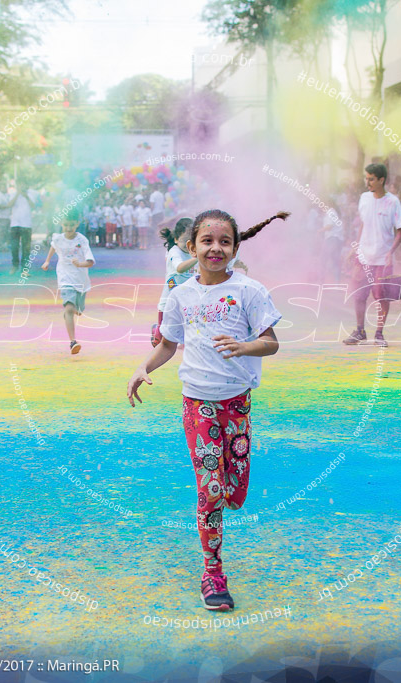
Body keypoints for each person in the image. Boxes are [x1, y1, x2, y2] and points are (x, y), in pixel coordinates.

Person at [126, 209, 287, 612]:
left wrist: (245, 347)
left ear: (234, 247)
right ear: (192, 246)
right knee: (210, 489)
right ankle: (213, 571)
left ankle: (230, 491)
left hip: (237, 404)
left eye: (225, 242)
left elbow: (270, 342)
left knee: (233, 492)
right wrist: (142, 367)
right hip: (196, 401)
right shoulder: (181, 295)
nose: (216, 249)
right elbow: (168, 344)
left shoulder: (249, 291)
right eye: (207, 241)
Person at [343, 162, 401, 348]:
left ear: (381, 180)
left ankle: (379, 333)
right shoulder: (364, 198)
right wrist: (354, 248)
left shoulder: (393, 202)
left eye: (371, 179)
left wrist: (390, 253)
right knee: (359, 295)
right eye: (366, 178)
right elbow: (363, 224)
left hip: (382, 258)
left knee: (382, 296)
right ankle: (360, 331)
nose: (367, 182)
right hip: (363, 257)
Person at [41, 207, 94, 354]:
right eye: (65, 225)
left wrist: (80, 264)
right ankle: (73, 342)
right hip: (65, 277)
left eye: (71, 224)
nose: (68, 228)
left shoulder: (82, 240)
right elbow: (53, 247)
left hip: (81, 279)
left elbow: (90, 262)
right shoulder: (57, 238)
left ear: (77, 223)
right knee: (69, 308)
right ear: (61, 224)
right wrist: (47, 261)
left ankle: (72, 311)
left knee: (78, 310)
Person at [151, 217, 197, 347]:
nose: (187, 244)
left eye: (191, 240)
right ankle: (156, 330)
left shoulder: (193, 253)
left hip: (186, 299)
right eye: (184, 240)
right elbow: (180, 268)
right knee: (160, 341)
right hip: (169, 301)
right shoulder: (174, 252)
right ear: (176, 239)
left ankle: (184, 340)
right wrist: (197, 257)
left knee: (187, 322)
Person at [7, 180, 35, 275]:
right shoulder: (13, 194)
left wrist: (26, 196)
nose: (22, 186)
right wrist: (17, 194)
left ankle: (24, 268)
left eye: (24, 184)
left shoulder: (31, 194)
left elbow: (33, 206)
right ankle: (15, 266)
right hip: (15, 224)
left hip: (26, 224)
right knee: (14, 246)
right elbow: (9, 205)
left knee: (26, 248)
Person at [0, 183, 12, 252]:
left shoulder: (6, 195)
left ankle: (4, 246)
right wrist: (7, 206)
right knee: (2, 232)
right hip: (1, 217)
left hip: (7, 216)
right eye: (2, 187)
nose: (4, 189)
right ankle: (0, 246)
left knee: (5, 232)